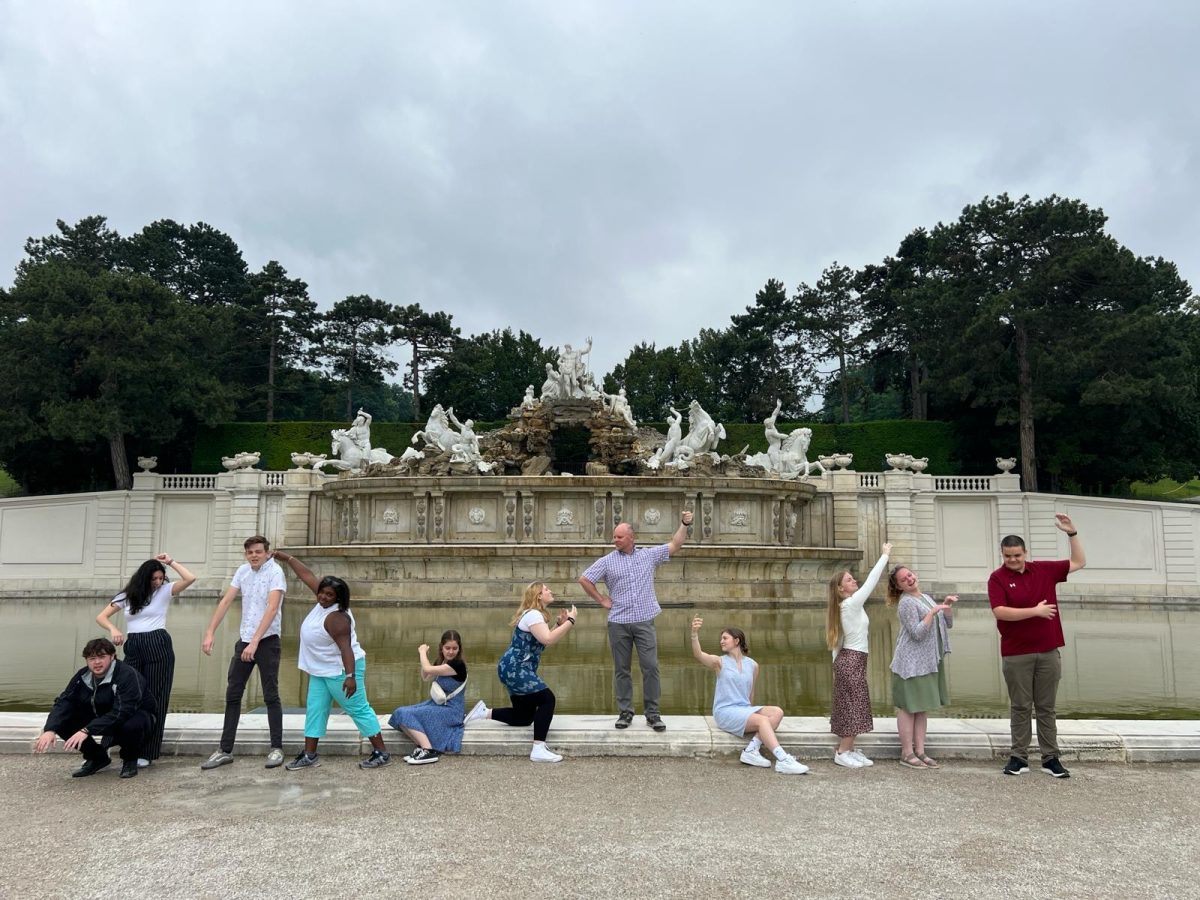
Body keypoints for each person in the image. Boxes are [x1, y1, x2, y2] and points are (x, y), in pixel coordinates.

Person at [269, 551, 391, 770]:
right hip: (320, 670)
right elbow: (306, 575)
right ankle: (310, 755)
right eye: (322, 593)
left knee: (358, 709)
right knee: (316, 709)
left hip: (340, 671)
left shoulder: (336, 618)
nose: (323, 597)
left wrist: (351, 677)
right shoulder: (322, 604)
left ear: (338, 598)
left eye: (329, 595)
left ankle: (381, 752)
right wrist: (285, 558)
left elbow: (346, 650)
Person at [988, 513, 1086, 778]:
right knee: (1020, 706)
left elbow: (1079, 562)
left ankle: (1050, 758)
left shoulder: (1043, 569)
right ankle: (1018, 757)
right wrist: (1035, 611)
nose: (1013, 560)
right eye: (1008, 556)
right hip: (1016, 653)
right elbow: (1000, 612)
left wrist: (1072, 533)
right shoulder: (997, 578)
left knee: (1046, 707)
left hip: (1048, 651)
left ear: (1024, 553)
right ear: (1002, 554)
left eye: (1017, 555)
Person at [578, 509, 694, 731]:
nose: (615, 540)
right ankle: (625, 712)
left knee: (650, 667)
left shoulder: (648, 555)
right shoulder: (608, 560)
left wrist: (684, 524)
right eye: (614, 537)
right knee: (622, 669)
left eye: (619, 537)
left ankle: (653, 714)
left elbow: (675, 544)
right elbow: (584, 579)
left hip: (643, 620)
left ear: (632, 538)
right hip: (618, 622)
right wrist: (601, 599)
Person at [95, 552, 196, 769]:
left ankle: (147, 752)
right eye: (154, 579)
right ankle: (110, 745)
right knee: (126, 694)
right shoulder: (128, 595)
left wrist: (171, 562)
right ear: (144, 578)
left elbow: (190, 578)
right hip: (134, 644)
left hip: (158, 643)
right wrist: (113, 629)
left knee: (156, 698)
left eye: (161, 578)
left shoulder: (165, 591)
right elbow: (101, 616)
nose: (158, 582)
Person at [199, 535, 287, 770]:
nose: (254, 556)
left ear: (267, 552)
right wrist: (210, 631)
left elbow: (272, 607)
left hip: (266, 641)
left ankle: (276, 748)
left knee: (271, 695)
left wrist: (255, 642)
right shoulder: (243, 571)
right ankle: (225, 750)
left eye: (258, 551)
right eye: (250, 552)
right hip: (245, 640)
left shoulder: (275, 572)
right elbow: (226, 601)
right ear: (245, 554)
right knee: (233, 693)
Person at [465, 582, 576, 762]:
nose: (550, 591)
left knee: (524, 716)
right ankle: (538, 748)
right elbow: (547, 638)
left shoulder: (535, 616)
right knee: (548, 699)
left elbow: (542, 642)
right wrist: (570, 621)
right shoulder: (533, 614)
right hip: (516, 669)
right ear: (538, 595)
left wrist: (558, 624)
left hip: (512, 668)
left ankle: (484, 712)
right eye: (546, 589)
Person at [689, 617, 808, 774]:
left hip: (743, 709)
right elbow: (698, 654)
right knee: (763, 720)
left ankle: (751, 750)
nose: (721, 641)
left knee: (777, 712)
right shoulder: (719, 662)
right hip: (725, 711)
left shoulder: (753, 665)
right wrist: (694, 634)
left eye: (725, 638)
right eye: (721, 639)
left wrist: (751, 716)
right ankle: (783, 759)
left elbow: (751, 693)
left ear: (736, 641)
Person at [33, 638, 156, 780]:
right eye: (92, 658)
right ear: (86, 660)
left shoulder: (127, 675)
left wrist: (86, 730)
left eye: (102, 657)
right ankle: (97, 758)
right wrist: (50, 729)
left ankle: (129, 760)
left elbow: (123, 711)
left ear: (112, 656)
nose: (97, 662)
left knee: (132, 724)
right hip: (102, 714)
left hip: (133, 717)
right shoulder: (82, 676)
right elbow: (64, 701)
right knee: (62, 720)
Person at [825, 542, 892, 768]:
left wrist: (836, 667)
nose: (855, 581)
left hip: (850, 659)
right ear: (841, 589)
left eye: (853, 578)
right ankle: (843, 751)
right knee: (855, 706)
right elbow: (872, 581)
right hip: (852, 660)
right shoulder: (851, 603)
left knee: (853, 705)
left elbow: (838, 643)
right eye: (849, 580)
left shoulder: (847, 606)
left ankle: (849, 748)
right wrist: (884, 556)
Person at [887, 564, 956, 769]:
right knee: (908, 708)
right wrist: (931, 613)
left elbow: (947, 624)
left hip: (926, 662)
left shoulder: (924, 597)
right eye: (903, 579)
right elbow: (917, 633)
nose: (909, 579)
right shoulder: (906, 603)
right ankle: (907, 753)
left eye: (909, 575)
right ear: (899, 587)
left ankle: (920, 751)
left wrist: (946, 605)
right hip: (910, 663)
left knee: (921, 708)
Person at [387, 630, 468, 765]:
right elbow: (425, 676)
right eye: (447, 648)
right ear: (441, 648)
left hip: (451, 710)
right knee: (399, 713)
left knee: (404, 713)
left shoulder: (458, 665)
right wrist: (427, 660)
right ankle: (421, 747)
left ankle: (428, 750)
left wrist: (422, 652)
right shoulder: (442, 661)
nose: (451, 652)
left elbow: (428, 669)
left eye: (455, 648)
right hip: (438, 705)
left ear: (459, 649)